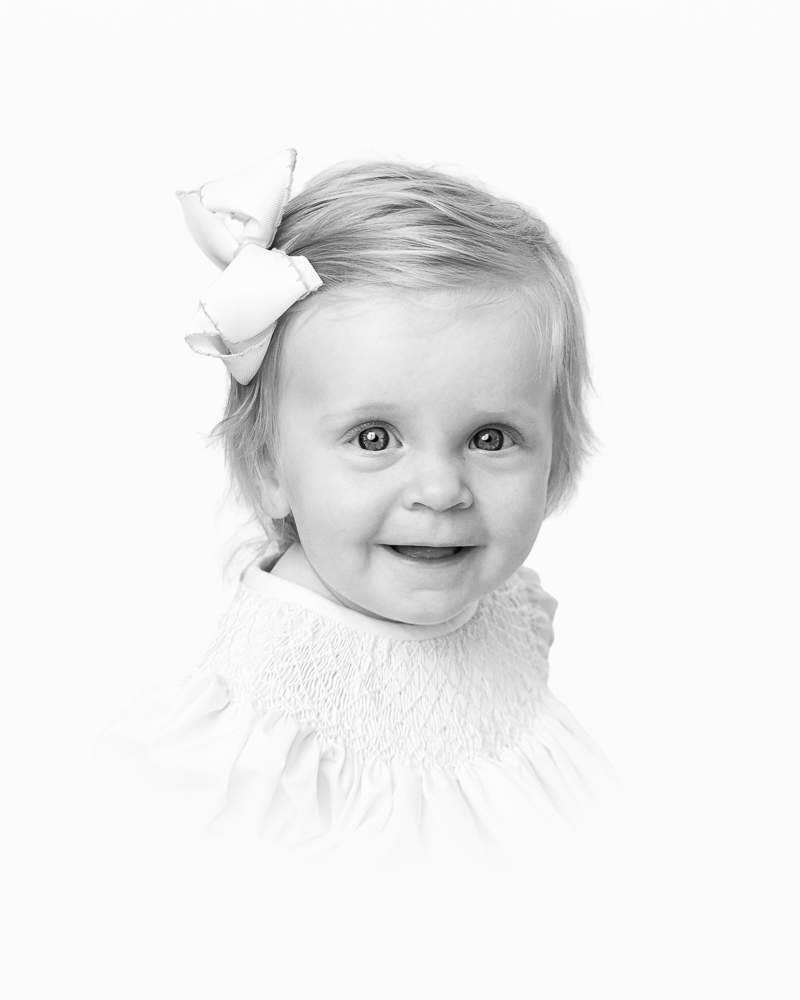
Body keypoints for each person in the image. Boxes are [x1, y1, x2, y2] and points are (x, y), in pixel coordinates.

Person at [95, 148, 625, 869]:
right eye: (374, 438)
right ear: (266, 466)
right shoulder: (250, 735)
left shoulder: (506, 613)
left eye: (491, 438)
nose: (441, 491)